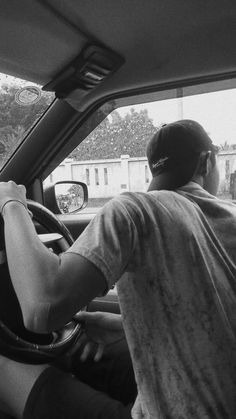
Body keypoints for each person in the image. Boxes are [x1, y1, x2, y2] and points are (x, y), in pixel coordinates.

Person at [0, 119, 236, 418]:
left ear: (155, 171)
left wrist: (11, 203)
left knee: (4, 368)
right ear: (208, 161)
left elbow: (42, 308)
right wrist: (133, 326)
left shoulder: (136, 210)